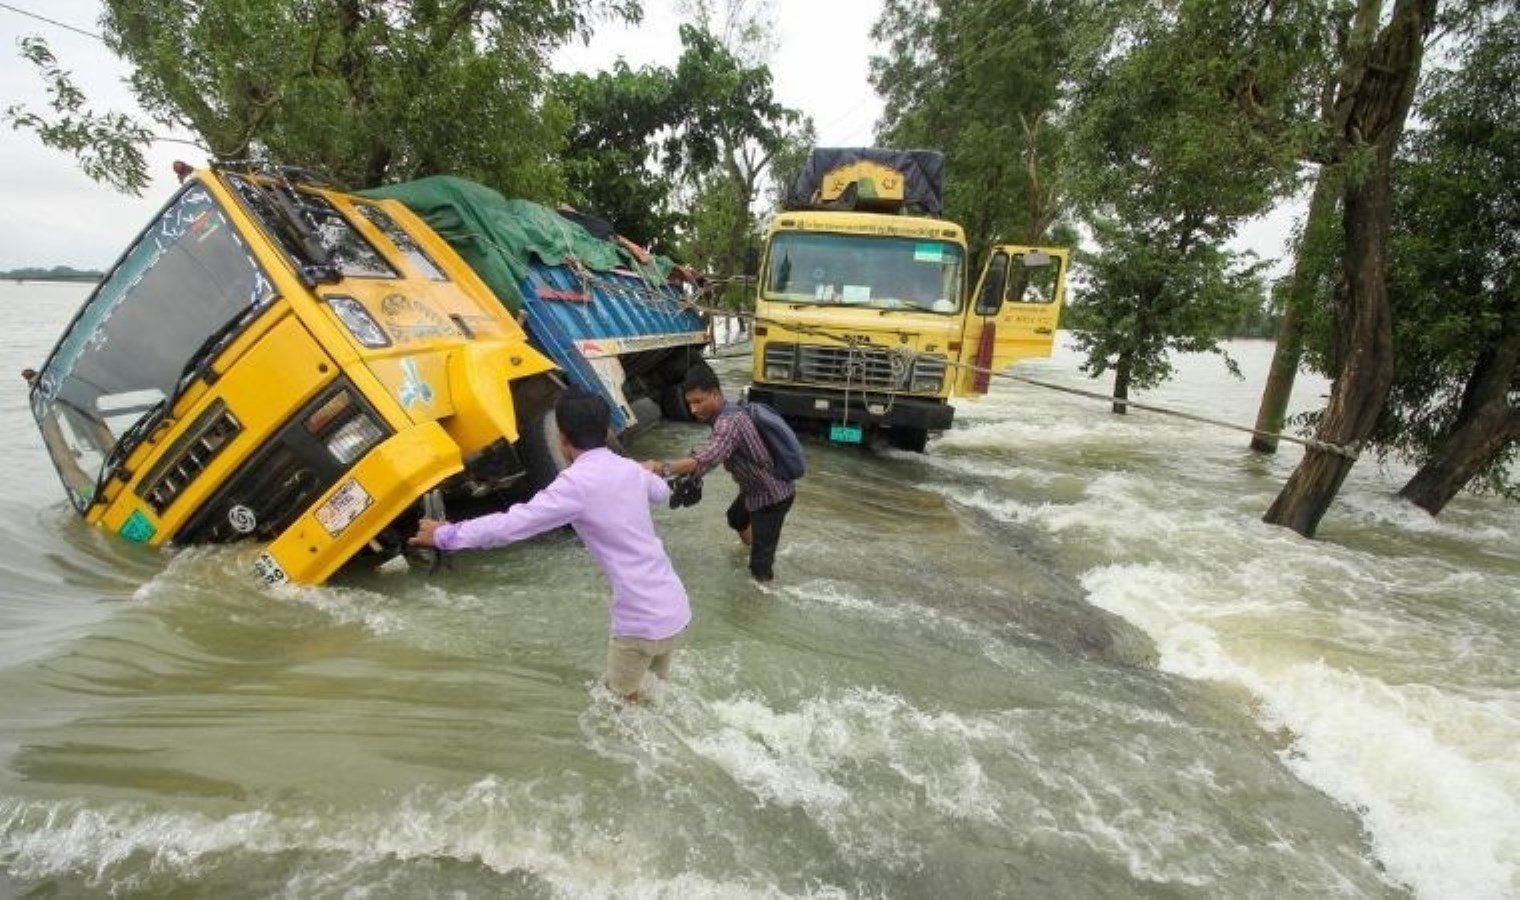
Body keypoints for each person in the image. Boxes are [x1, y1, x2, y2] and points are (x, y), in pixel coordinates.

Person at [411, 387, 690, 703]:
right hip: (673, 607)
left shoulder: (575, 485)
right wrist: (645, 469)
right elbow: (661, 493)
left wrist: (444, 535)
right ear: (606, 430)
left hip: (639, 621)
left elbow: (512, 525)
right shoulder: (629, 470)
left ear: (562, 438)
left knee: (621, 709)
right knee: (656, 697)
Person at [643, 363, 795, 585]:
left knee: (760, 569)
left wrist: (662, 467)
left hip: (772, 495)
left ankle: (764, 592)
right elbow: (715, 454)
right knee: (736, 518)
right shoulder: (725, 414)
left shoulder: (728, 422)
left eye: (698, 401)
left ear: (715, 394)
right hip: (753, 489)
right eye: (689, 403)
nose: (693, 409)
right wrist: (685, 476)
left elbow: (708, 457)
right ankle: (756, 547)